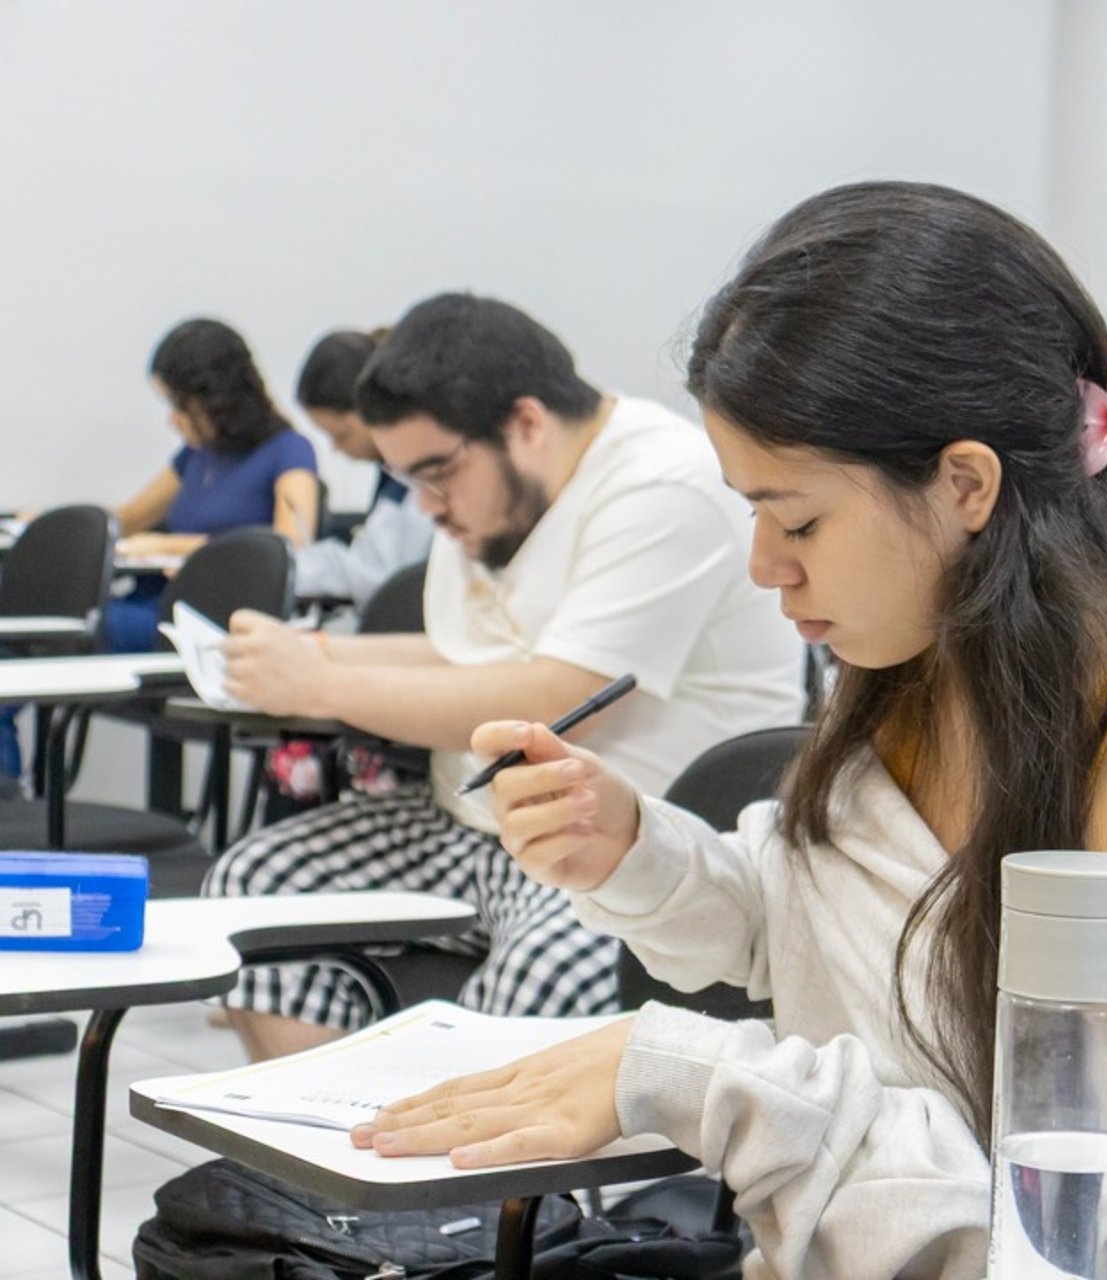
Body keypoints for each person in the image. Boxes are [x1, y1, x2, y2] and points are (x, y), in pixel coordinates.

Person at [350, 182, 1107, 1276]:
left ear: (965, 484)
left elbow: (1065, 1218)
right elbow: (803, 928)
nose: (765, 564)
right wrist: (631, 847)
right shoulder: (921, 656)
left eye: (796, 517)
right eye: (751, 510)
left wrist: (691, 1073)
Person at [203, 292, 806, 1062]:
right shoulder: (497, 491)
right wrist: (312, 654)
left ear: (524, 423)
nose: (429, 508)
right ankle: (320, 1152)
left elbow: (556, 700)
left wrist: (315, 683)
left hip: (621, 839)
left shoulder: (663, 485)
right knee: (256, 886)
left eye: (437, 475)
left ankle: (455, 1179)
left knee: (537, 984)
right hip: (479, 825)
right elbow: (463, 655)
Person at [105, 318, 320, 650]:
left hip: (211, 616)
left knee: (90, 622)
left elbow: (289, 547)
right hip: (156, 599)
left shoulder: (290, 451)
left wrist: (170, 546)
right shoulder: (197, 454)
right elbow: (131, 518)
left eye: (180, 406)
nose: (172, 420)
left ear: (217, 400)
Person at [291, 328, 435, 608]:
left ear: (370, 410)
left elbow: (377, 575)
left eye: (340, 435)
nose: (335, 448)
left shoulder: (419, 480)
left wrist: (291, 568)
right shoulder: (392, 475)